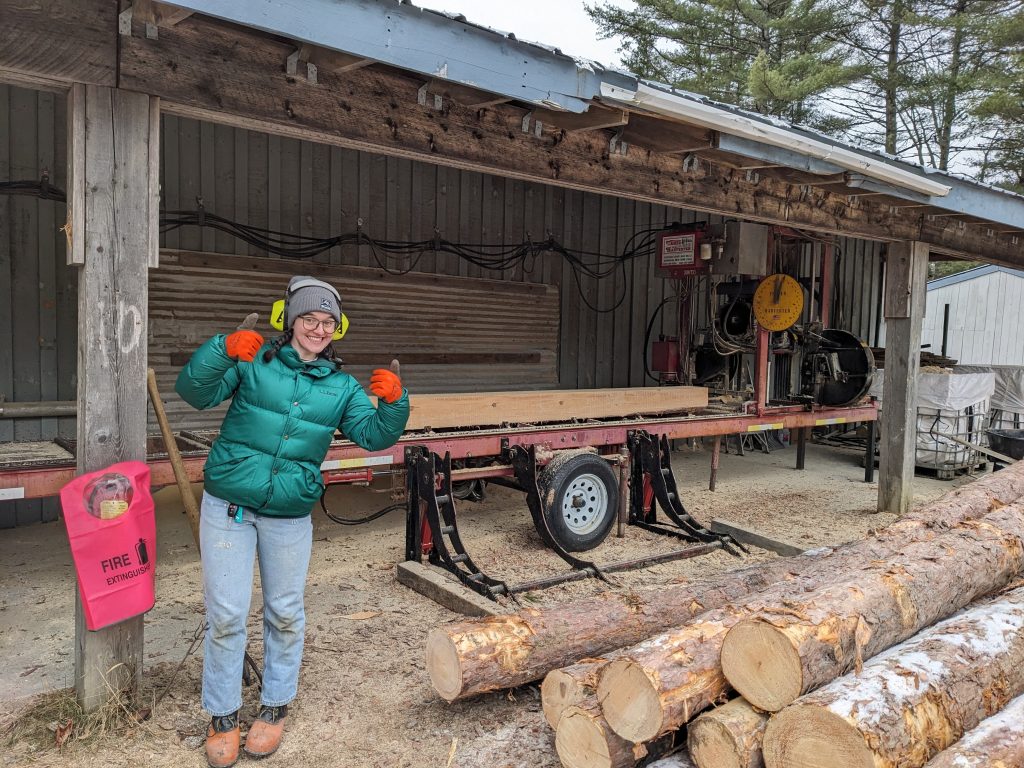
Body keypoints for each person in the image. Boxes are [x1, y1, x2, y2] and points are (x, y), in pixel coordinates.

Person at [175, 275, 409, 768]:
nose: (318, 329)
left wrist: (395, 404)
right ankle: (222, 715)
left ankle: (275, 706)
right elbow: (194, 392)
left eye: (328, 322)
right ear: (289, 320)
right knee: (226, 616)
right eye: (309, 318)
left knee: (284, 612)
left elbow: (373, 436)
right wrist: (221, 350)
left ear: (337, 328)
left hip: (288, 513)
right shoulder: (254, 362)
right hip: (229, 507)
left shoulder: (341, 388)